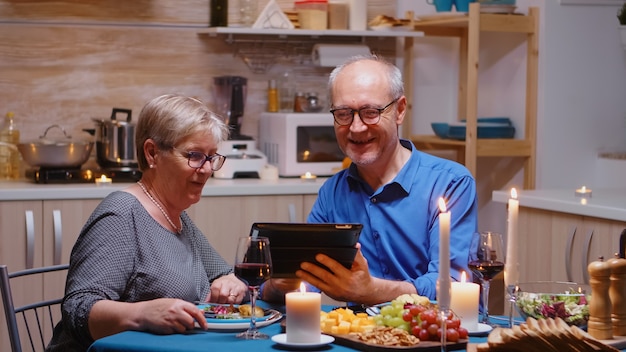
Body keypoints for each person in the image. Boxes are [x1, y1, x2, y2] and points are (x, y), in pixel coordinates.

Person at [262, 54, 478, 305]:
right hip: (361, 339)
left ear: (399, 111)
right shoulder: (332, 193)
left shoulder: (450, 184)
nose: (356, 127)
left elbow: (453, 286)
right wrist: (277, 283)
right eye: (344, 113)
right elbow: (306, 285)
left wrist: (371, 290)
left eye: (370, 112)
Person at [46, 94, 248, 351]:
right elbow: (78, 310)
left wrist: (230, 282)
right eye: (194, 155)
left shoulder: (175, 216)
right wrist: (141, 314)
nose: (207, 169)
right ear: (152, 153)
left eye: (211, 157)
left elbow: (222, 273)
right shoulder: (122, 214)